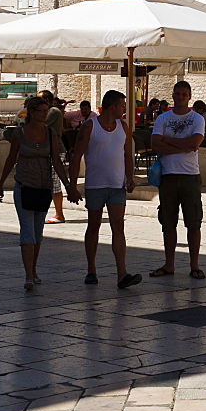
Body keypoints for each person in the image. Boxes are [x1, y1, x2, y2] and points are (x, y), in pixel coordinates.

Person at [0, 96, 79, 290]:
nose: (44, 114)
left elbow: (56, 161)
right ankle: (28, 276)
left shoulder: (50, 133)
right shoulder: (19, 133)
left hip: (44, 187)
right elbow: (11, 159)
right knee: (27, 231)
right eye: (41, 110)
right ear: (31, 112)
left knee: (38, 232)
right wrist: (1, 183)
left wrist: (67, 185)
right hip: (24, 186)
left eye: (46, 110)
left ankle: (34, 271)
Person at [69, 89, 141, 290]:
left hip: (117, 185)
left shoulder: (123, 127)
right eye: (122, 105)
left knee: (118, 226)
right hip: (95, 185)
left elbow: (128, 155)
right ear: (112, 107)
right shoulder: (90, 127)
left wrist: (130, 177)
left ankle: (122, 273)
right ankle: (91, 269)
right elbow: (76, 157)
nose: (124, 109)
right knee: (94, 226)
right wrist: (72, 186)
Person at [149, 81, 206, 279]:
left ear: (189, 96)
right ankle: (169, 264)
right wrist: (183, 145)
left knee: (193, 222)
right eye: (177, 93)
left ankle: (195, 265)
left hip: (190, 175)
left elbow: (195, 142)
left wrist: (169, 141)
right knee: (168, 222)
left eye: (184, 94)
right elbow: (155, 144)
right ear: (172, 95)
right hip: (168, 175)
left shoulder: (197, 118)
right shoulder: (163, 118)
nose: (180, 97)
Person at [39, 90, 66, 225]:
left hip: (56, 150)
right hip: (47, 150)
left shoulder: (53, 111)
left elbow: (41, 123)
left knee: (54, 182)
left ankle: (59, 214)